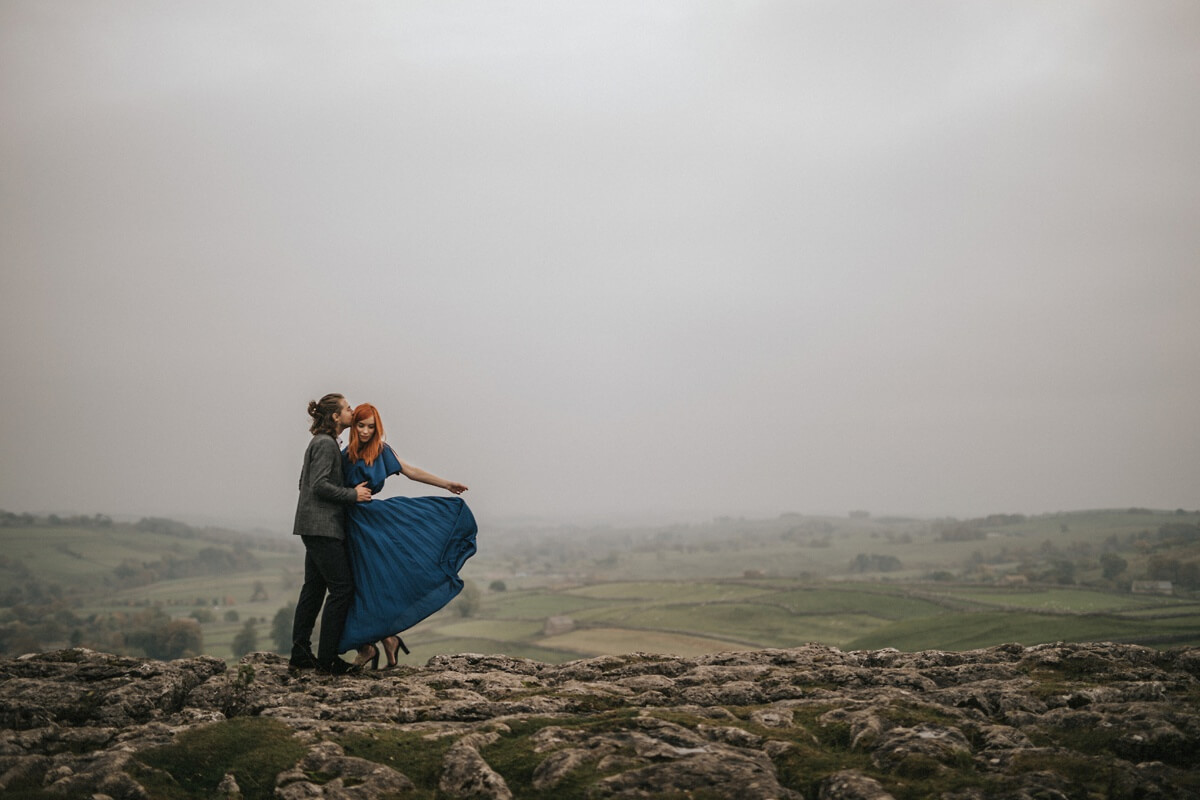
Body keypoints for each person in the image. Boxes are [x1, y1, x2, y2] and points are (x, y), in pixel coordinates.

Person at [336, 402, 477, 669]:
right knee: (359, 585)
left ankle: (375, 644)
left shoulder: (382, 451)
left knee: (380, 580)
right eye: (361, 425)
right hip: (351, 525)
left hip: (373, 523)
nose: (365, 431)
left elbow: (410, 471)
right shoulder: (345, 454)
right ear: (353, 426)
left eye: (370, 427)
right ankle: (384, 641)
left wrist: (447, 484)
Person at [289, 393, 373, 675]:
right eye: (347, 409)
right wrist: (353, 494)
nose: (351, 411)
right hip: (323, 528)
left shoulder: (321, 443)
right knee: (342, 588)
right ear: (336, 417)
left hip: (312, 525)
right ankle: (327, 659)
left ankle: (300, 653)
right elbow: (318, 485)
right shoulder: (325, 444)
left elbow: (304, 482)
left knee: (313, 589)